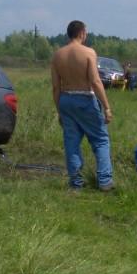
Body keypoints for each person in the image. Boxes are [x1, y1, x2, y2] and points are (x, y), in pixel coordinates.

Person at [50, 20, 114, 191]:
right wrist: (106, 107)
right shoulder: (88, 52)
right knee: (100, 140)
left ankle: (76, 183)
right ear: (82, 33)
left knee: (71, 143)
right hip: (85, 99)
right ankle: (105, 181)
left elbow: (55, 87)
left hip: (65, 100)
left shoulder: (57, 55)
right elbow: (95, 81)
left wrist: (59, 110)